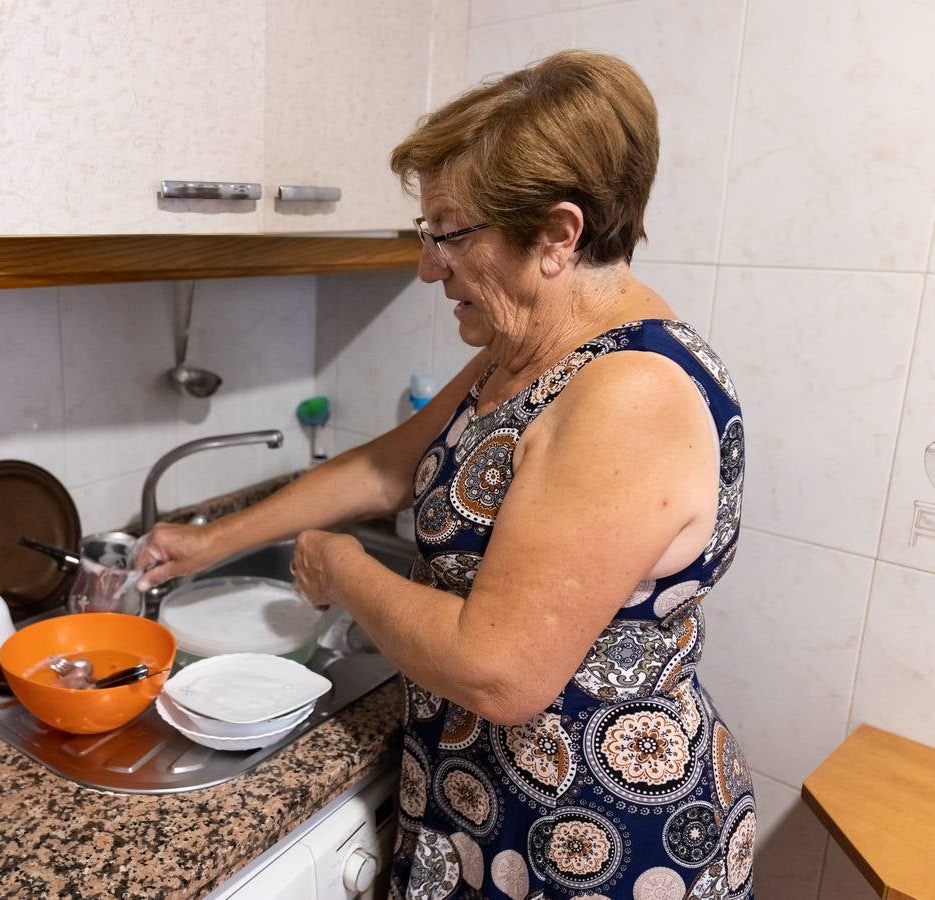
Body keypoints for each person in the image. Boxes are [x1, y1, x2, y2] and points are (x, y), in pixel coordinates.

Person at [136, 49, 753, 900]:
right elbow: (391, 468)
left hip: (594, 836)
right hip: (485, 801)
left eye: (451, 235)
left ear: (558, 234)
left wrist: (344, 569)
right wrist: (211, 542)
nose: (429, 267)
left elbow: (500, 669)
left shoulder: (628, 394)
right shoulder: (529, 353)